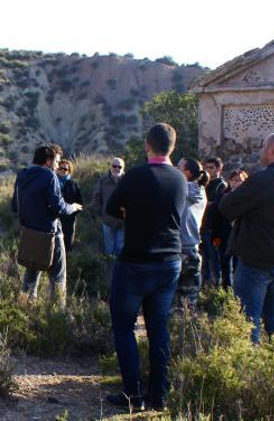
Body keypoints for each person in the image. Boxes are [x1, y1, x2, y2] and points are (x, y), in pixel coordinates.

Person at [104, 124, 187, 411]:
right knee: (158, 329)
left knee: (125, 328)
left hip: (136, 262)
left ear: (146, 145)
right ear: (172, 148)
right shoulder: (180, 179)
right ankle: (159, 396)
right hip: (169, 263)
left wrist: (132, 211)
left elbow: (112, 208)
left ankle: (132, 395)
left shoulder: (135, 176)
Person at [219, 132, 274, 343]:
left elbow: (226, 206)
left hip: (257, 260)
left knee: (247, 322)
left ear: (273, 149)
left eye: (263, 146)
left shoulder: (264, 179)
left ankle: (249, 371)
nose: (260, 151)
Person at [11, 144, 80, 305]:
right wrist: (73, 207)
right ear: (48, 161)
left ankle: (24, 312)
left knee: (30, 276)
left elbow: (15, 205)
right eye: (56, 162)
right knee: (58, 278)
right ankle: (57, 318)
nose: (57, 165)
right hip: (51, 235)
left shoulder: (22, 175)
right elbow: (59, 207)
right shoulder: (49, 176)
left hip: (29, 233)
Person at [176, 158, 209, 308]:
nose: (175, 169)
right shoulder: (200, 191)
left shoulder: (182, 189)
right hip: (193, 248)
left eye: (178, 167)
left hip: (180, 248)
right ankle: (189, 329)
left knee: (173, 300)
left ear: (187, 172)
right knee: (189, 303)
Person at [212, 169, 248, 288]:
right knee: (224, 261)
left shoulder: (248, 198)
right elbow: (216, 217)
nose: (236, 183)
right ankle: (225, 288)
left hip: (241, 236)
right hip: (224, 234)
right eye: (234, 180)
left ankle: (238, 289)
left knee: (239, 264)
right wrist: (215, 236)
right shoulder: (222, 195)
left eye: (239, 180)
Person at [200, 157, 227, 286]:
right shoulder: (206, 183)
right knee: (205, 259)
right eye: (206, 167)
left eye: (211, 167)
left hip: (214, 228)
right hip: (204, 226)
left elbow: (214, 204)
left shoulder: (221, 185)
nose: (208, 170)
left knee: (214, 259)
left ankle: (216, 286)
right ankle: (206, 286)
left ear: (218, 169)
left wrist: (203, 203)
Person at [92, 157, 125, 256]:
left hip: (123, 222)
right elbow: (96, 197)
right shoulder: (103, 180)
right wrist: (100, 212)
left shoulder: (128, 180)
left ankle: (119, 270)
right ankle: (109, 270)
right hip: (108, 221)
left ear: (123, 168)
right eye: (114, 166)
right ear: (110, 167)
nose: (116, 168)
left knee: (121, 249)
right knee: (109, 250)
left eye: (119, 166)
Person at [56, 159, 84, 254]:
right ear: (57, 168)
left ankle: (68, 263)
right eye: (61, 168)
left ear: (69, 170)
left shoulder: (73, 184)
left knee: (67, 244)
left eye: (65, 169)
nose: (63, 170)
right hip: (54, 219)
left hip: (69, 220)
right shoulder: (52, 182)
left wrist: (72, 213)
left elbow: (80, 203)